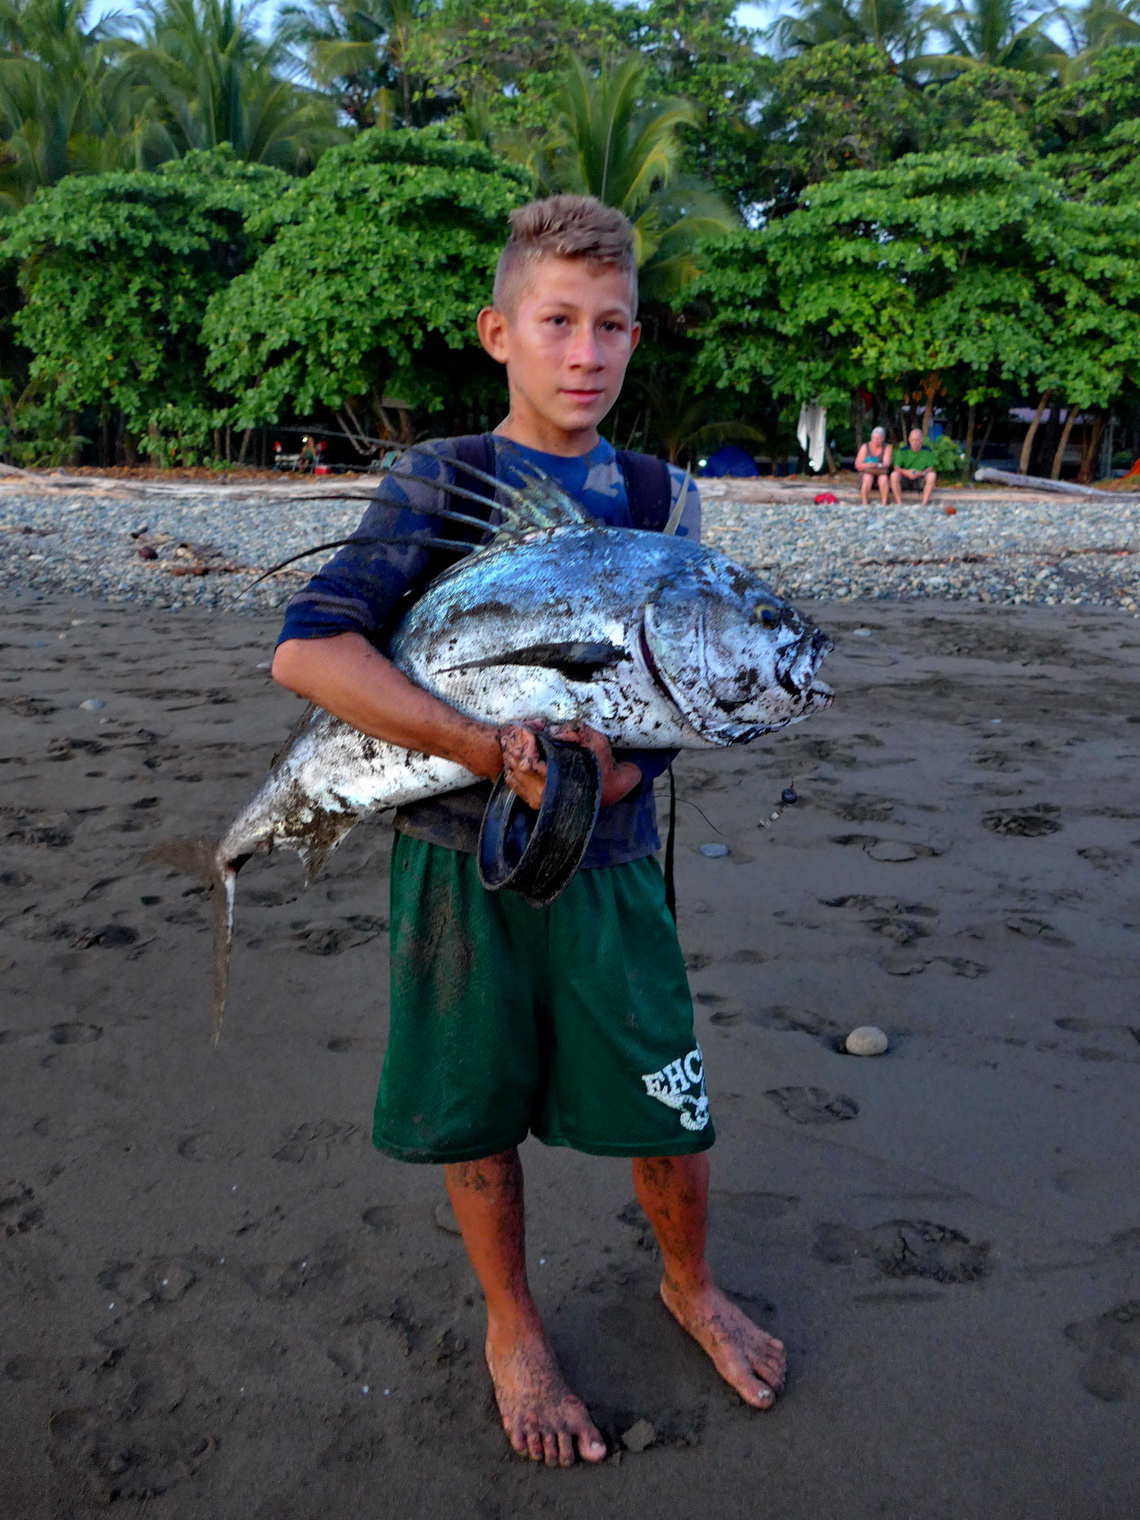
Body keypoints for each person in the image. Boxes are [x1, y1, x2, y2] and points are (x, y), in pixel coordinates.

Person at [271, 195, 787, 1468]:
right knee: (476, 1101)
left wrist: (624, 770)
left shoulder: (664, 497)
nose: (586, 352)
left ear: (633, 334)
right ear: (500, 331)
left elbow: (682, 683)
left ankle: (691, 1281)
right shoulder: (442, 479)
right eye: (557, 321)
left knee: (669, 1095)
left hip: (614, 870)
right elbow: (310, 650)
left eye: (611, 324)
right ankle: (513, 1324)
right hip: (460, 865)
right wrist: (485, 751)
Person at [890, 427, 937, 505]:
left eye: (917, 440)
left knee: (932, 475)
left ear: (921, 440)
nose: (915, 442)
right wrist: (906, 472)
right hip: (905, 477)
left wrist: (920, 473)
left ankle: (924, 503)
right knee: (894, 475)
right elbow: (896, 467)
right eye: (913, 440)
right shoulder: (902, 451)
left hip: (921, 477)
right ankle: (899, 502)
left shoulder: (928, 451)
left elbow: (930, 468)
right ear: (909, 440)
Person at [854, 426, 891, 505]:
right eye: (874, 438)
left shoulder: (886, 447)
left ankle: (884, 502)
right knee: (867, 478)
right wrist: (867, 465)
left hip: (879, 471)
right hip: (867, 471)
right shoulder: (865, 447)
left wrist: (878, 465)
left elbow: (887, 463)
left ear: (883, 439)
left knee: (883, 478)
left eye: (878, 438)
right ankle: (864, 502)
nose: (876, 441)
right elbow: (857, 464)